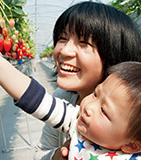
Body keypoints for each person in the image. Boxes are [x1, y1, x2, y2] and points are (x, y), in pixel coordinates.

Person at [0, 35, 141, 159]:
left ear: (132, 145)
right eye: (95, 94)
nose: (89, 107)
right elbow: (35, 98)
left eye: (104, 111)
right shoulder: (76, 122)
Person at [33, 1, 141, 159]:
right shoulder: (63, 97)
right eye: (62, 38)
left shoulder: (133, 122)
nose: (65, 51)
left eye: (84, 43)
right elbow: (41, 150)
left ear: (114, 55)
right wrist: (56, 156)